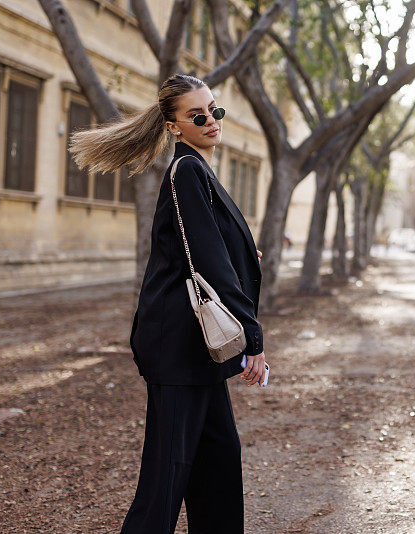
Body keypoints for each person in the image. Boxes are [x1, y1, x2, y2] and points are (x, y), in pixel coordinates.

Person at [68, 73, 267, 533]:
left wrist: (242, 254)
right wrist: (252, 337)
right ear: (175, 126)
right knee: (165, 480)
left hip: (199, 350)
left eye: (215, 109)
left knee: (218, 462)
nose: (212, 120)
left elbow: (205, 247)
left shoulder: (199, 171)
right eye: (198, 115)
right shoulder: (187, 171)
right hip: (179, 350)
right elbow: (207, 261)